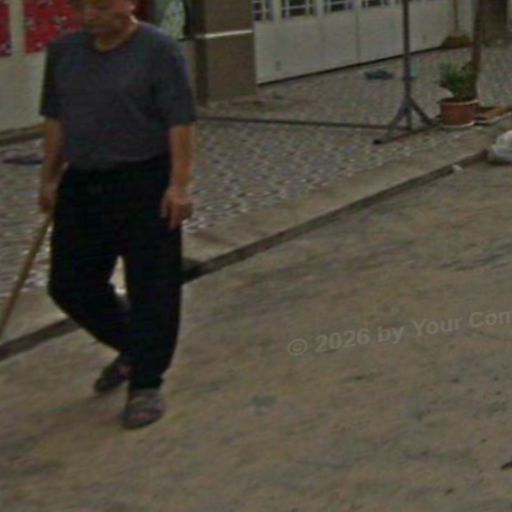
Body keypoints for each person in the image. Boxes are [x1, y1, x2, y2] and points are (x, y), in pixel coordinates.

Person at [38, 0, 196, 429]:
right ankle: (135, 347)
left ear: (129, 2)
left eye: (100, 6)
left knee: (152, 286)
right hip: (83, 182)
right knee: (70, 284)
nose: (88, 16)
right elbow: (55, 119)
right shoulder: (64, 52)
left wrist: (179, 186)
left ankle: (146, 382)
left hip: (145, 181)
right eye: (81, 6)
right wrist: (49, 176)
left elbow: (180, 122)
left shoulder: (158, 50)